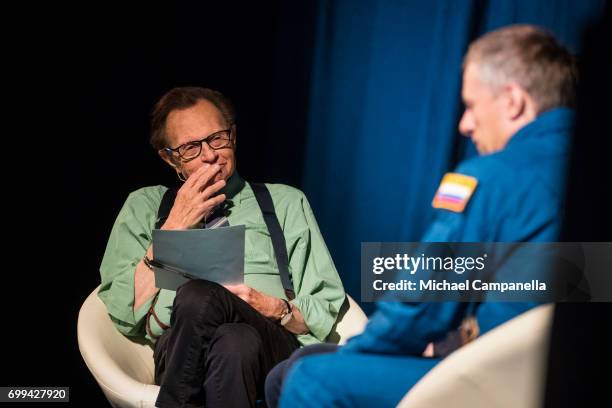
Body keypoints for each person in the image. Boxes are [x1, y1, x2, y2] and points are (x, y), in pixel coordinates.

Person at [267, 24, 577, 408]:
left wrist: (357, 351)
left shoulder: (487, 179)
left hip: (497, 383)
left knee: (308, 377)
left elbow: (421, 305)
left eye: (471, 105)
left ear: (512, 101)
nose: (465, 123)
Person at [97, 86, 345, 408]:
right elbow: (124, 311)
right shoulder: (144, 207)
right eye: (190, 147)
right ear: (170, 158)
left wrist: (274, 308)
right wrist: (174, 226)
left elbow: (323, 311)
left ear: (234, 136)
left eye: (217, 138)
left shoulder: (284, 202)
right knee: (234, 342)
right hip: (180, 349)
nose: (209, 155)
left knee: (202, 294)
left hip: (273, 344)